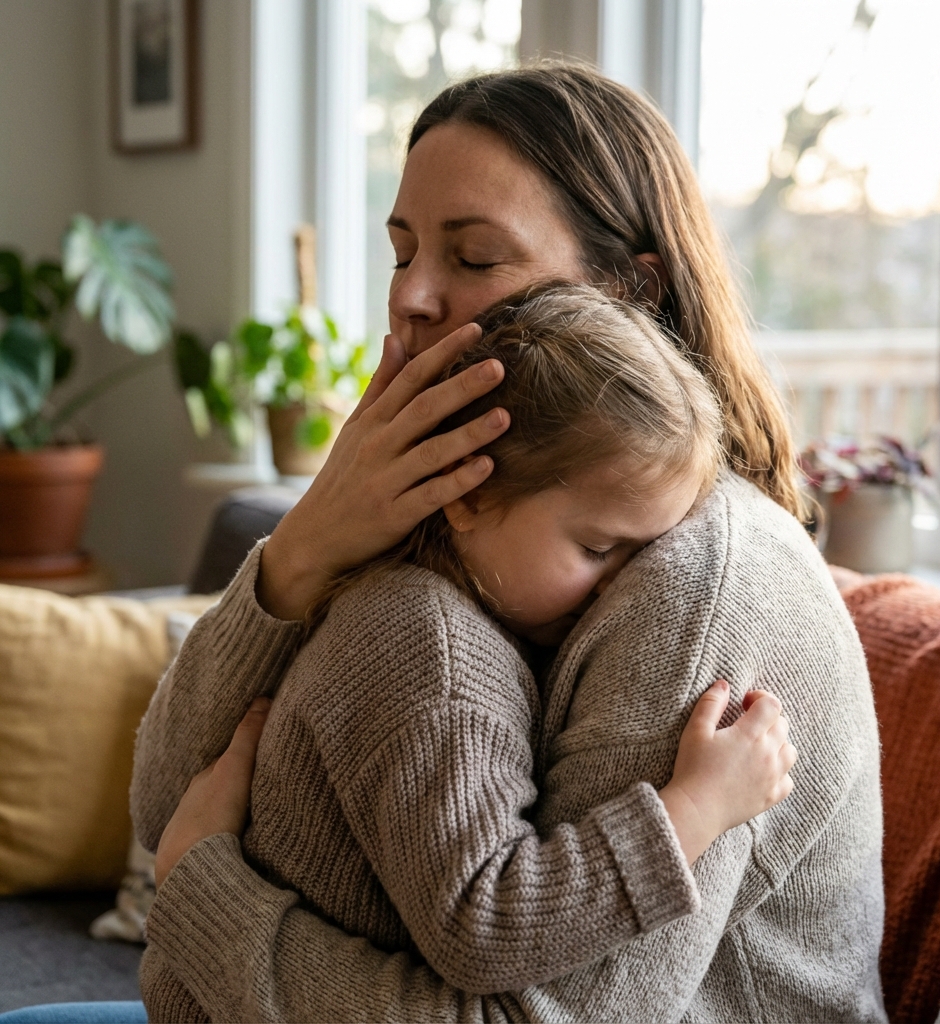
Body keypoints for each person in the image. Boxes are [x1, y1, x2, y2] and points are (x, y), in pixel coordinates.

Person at [1, 63, 885, 1023]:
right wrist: (301, 553)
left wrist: (210, 907)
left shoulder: (693, 582)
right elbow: (169, 807)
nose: (413, 298)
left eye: (473, 259)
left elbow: (530, 1015)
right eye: (401, 252)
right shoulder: (458, 521)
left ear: (629, 293)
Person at [131, 285, 798, 1021]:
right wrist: (695, 809)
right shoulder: (431, 654)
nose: (621, 590)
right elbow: (483, 926)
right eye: (598, 548)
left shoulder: (434, 608)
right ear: (469, 497)